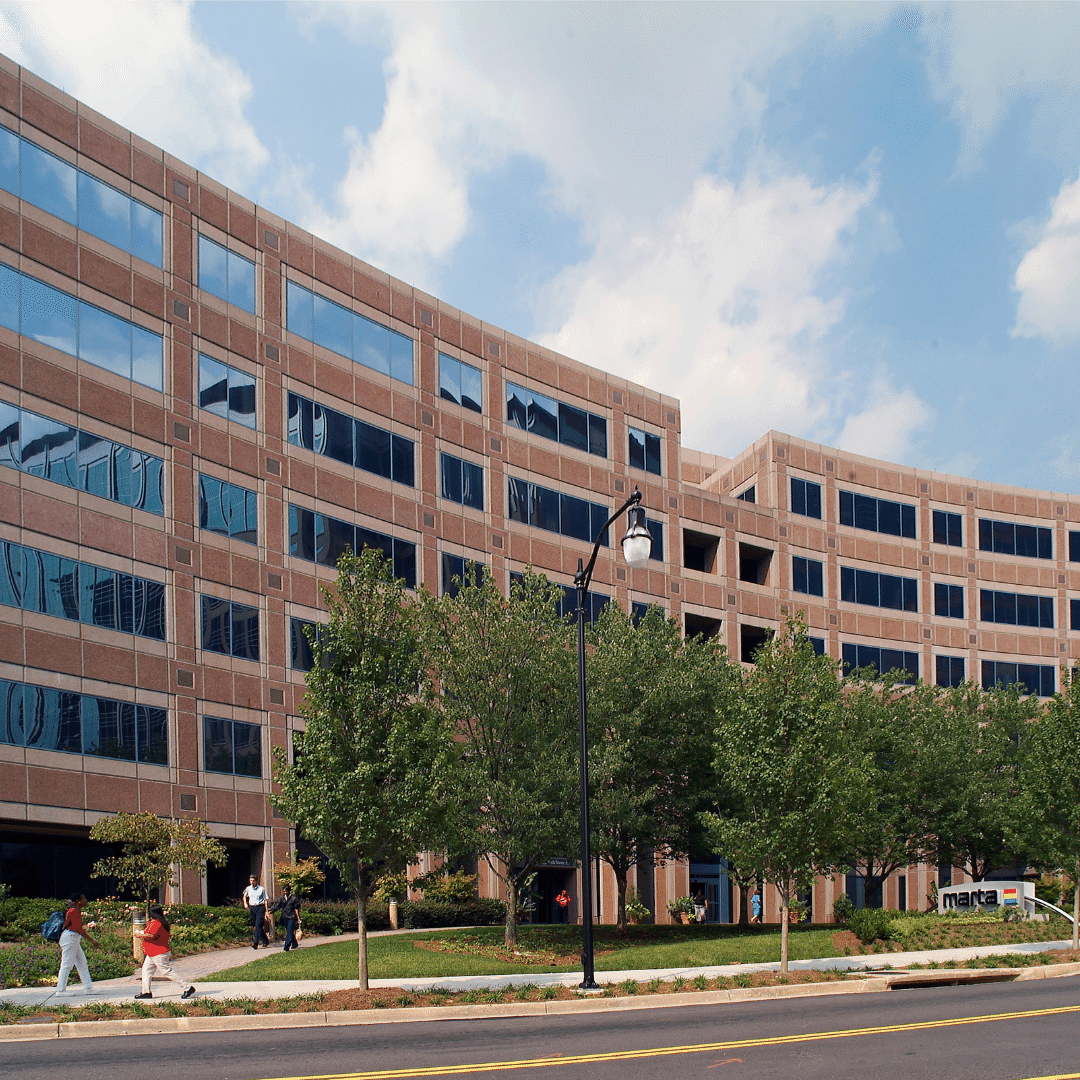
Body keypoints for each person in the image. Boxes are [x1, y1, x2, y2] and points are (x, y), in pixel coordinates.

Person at [134, 904, 196, 1000]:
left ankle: (187, 988)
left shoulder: (156, 923)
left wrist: (139, 935)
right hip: (152, 953)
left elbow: (151, 935)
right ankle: (146, 992)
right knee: (146, 971)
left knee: (167, 972)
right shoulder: (161, 922)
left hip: (158, 952)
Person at [55, 893, 99, 996]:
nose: (85, 900)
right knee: (67, 964)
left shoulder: (74, 911)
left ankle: (88, 988)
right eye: (83, 899)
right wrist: (92, 940)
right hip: (70, 939)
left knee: (82, 963)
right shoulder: (73, 911)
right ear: (78, 901)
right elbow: (78, 929)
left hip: (72, 939)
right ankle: (60, 990)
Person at [271, 885, 302, 951]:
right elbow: (277, 906)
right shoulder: (281, 898)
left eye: (286, 891)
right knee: (289, 931)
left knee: (290, 931)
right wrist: (271, 910)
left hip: (292, 917)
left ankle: (286, 946)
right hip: (285, 917)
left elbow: (296, 909)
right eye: (284, 891)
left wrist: (298, 918)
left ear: (289, 891)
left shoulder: (294, 898)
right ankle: (294, 943)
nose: (285, 893)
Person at [243, 874, 270, 949]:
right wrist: (245, 903)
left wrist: (266, 911)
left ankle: (255, 942)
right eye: (251, 880)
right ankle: (265, 940)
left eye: (253, 881)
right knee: (258, 926)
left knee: (258, 925)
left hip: (260, 907)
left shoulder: (261, 889)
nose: (252, 882)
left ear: (256, 881)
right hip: (252, 908)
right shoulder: (248, 888)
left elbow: (265, 900)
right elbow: (244, 896)